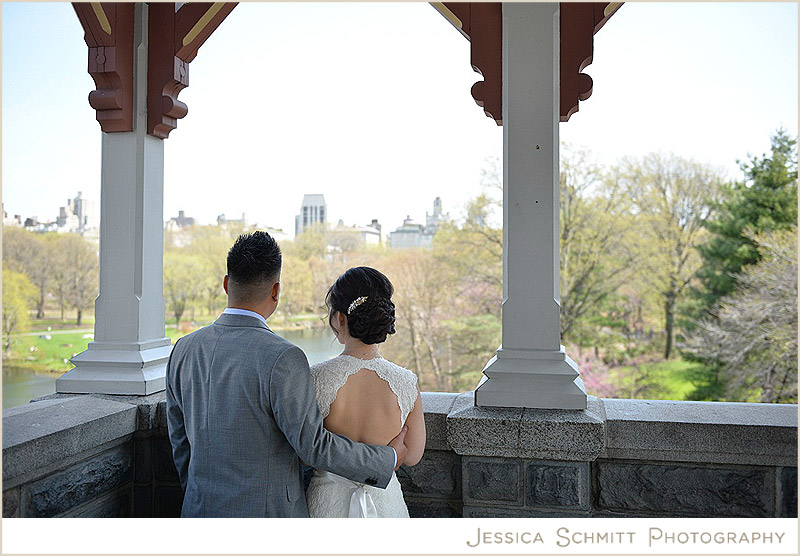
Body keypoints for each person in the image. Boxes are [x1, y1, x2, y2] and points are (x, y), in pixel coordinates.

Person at [165, 232, 409, 517]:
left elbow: (180, 442)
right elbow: (313, 445)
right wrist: (387, 458)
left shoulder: (183, 349)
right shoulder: (284, 358)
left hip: (199, 510)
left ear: (226, 284)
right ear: (276, 291)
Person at [306, 266, 426, 518]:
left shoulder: (316, 377)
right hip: (384, 503)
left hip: (328, 504)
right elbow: (413, 455)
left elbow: (306, 454)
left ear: (340, 319)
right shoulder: (406, 381)